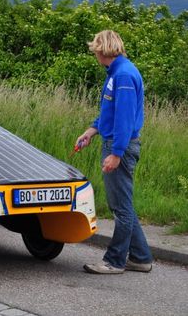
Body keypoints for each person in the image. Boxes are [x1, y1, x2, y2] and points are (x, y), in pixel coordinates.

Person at [77, 30, 153, 274]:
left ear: (102, 49)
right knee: (123, 204)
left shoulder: (123, 75)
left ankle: (114, 261)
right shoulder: (117, 73)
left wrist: (117, 153)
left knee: (121, 208)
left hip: (119, 146)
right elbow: (109, 113)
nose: (94, 54)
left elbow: (124, 119)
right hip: (114, 142)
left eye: (95, 50)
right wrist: (91, 131)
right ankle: (140, 258)